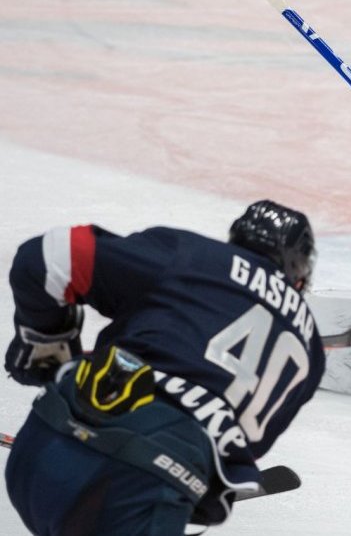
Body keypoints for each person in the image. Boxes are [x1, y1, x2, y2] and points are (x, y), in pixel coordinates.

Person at [4, 200, 323, 535]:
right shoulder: (311, 353)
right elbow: (236, 444)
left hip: (36, 453)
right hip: (140, 493)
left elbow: (49, 256)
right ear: (299, 272)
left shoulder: (192, 256)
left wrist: (47, 342)